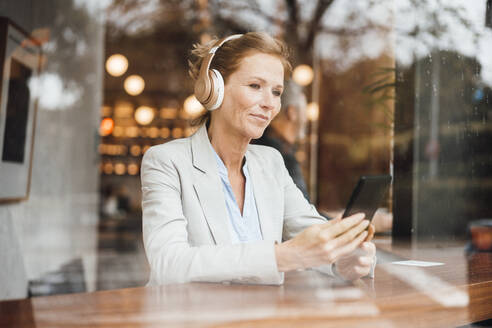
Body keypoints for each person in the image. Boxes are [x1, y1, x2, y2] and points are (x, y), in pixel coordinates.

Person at [141, 32, 376, 285]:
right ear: (213, 88)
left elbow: (315, 236)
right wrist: (283, 256)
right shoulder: (166, 161)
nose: (269, 104)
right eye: (255, 86)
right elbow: (168, 263)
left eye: (276, 92)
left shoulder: (271, 162)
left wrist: (344, 258)